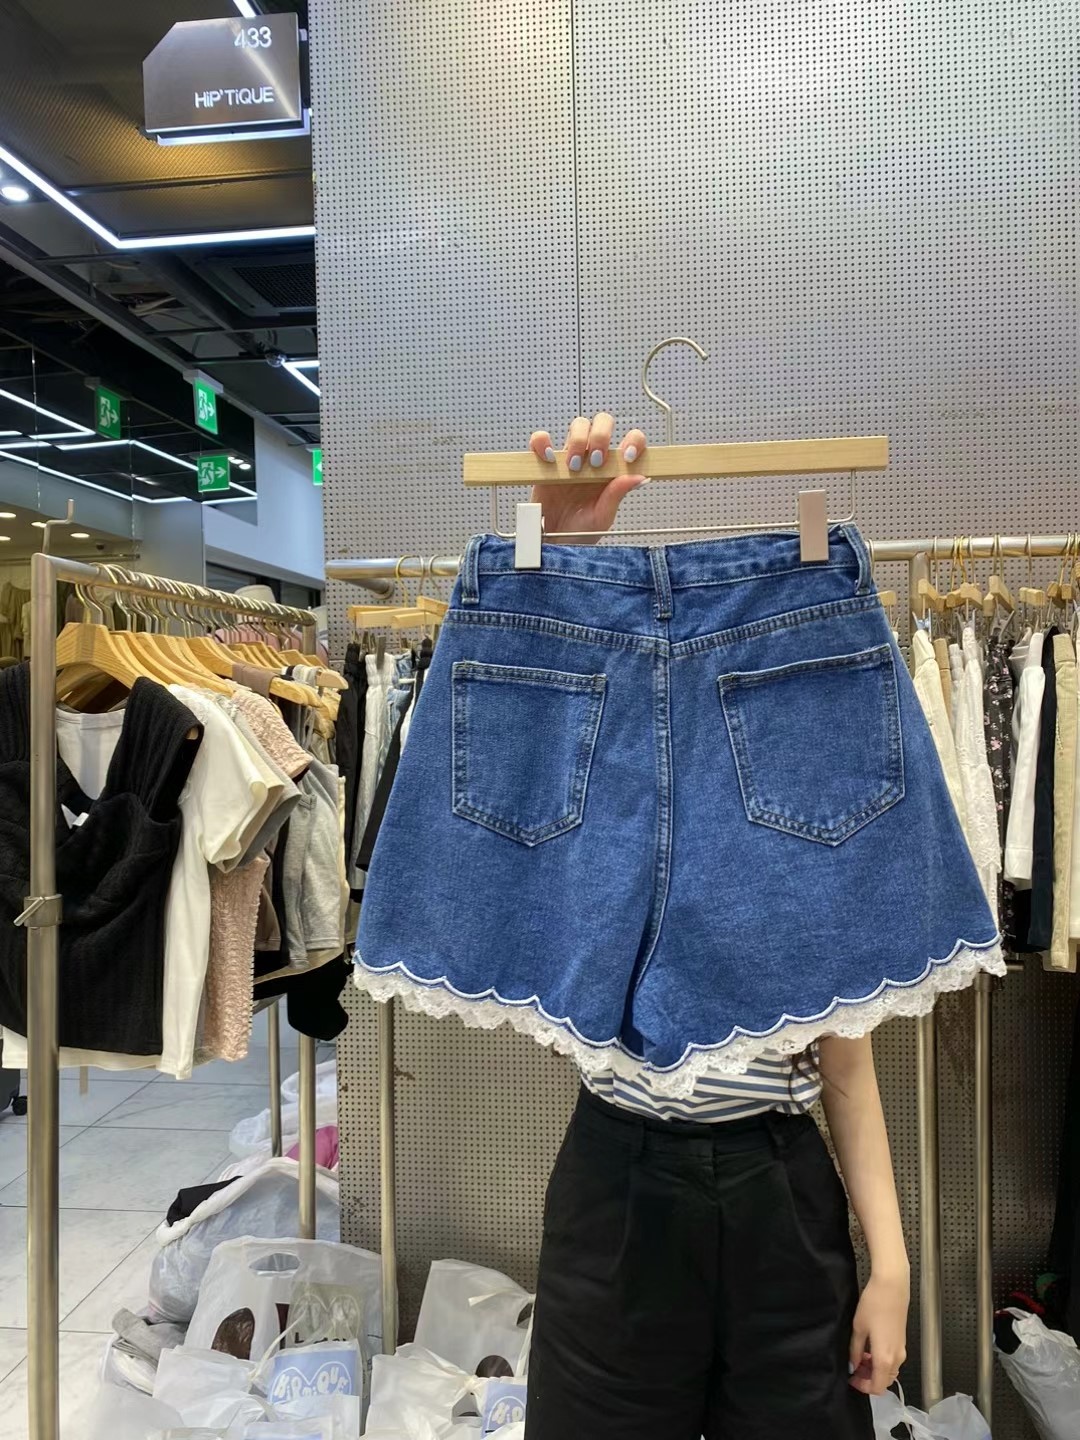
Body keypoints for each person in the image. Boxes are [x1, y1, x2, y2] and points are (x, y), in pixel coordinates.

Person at [522, 414, 909, 1440]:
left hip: (778, 1181)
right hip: (618, 1176)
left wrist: (893, 1264)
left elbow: (847, 1061)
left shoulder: (805, 779)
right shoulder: (605, 788)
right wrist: (558, 558)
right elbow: (526, 775)